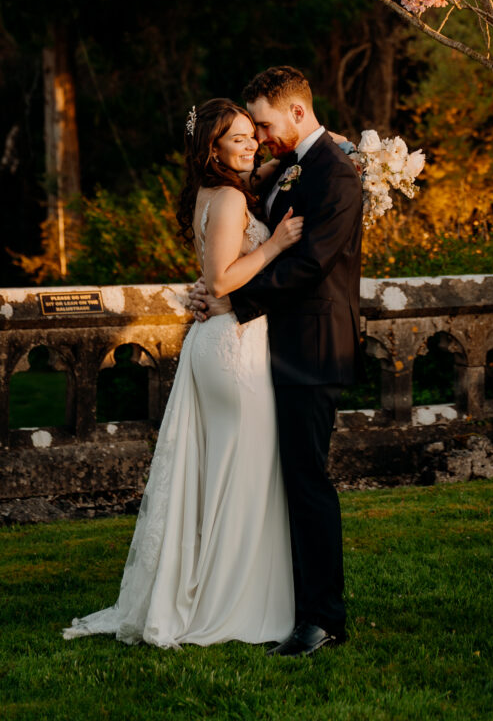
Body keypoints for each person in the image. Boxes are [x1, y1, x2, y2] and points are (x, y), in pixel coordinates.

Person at [63, 98, 302, 648]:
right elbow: (219, 281)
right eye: (237, 138)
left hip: (223, 342)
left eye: (251, 135)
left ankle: (216, 586)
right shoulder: (225, 201)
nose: (250, 145)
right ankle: (224, 601)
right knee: (237, 475)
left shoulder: (221, 192)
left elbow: (270, 169)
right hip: (231, 349)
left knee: (224, 473)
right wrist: (276, 245)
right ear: (211, 147)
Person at [190, 65, 363, 658]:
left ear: (295, 112)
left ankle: (323, 619)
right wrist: (219, 290)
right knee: (287, 480)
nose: (259, 136)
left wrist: (230, 301)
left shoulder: (335, 175)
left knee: (307, 483)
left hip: (312, 350)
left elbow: (310, 263)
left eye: (263, 123)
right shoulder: (296, 165)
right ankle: (282, 602)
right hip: (274, 346)